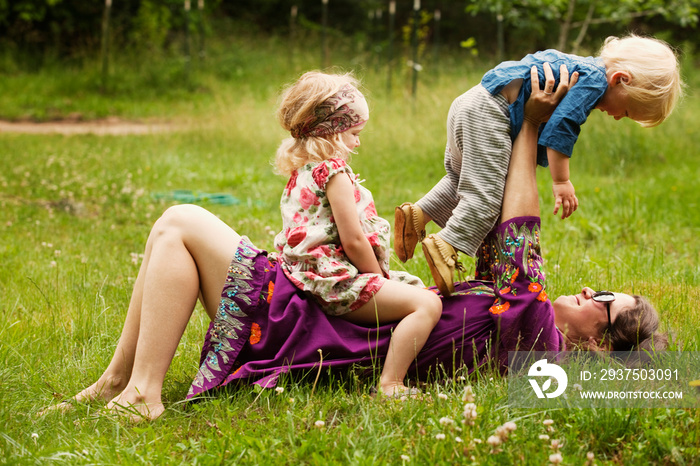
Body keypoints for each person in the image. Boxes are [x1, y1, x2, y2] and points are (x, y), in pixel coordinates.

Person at [40, 63, 665, 422]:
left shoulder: (535, 330)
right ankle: (118, 379)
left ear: (599, 345)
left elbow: (517, 228)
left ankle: (143, 394)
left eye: (604, 301)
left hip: (315, 320)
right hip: (325, 304)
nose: (590, 288)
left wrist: (530, 125)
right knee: (170, 226)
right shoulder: (519, 323)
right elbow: (487, 199)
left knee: (178, 221)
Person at [394, 34, 683, 296]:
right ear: (622, 79)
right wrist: (561, 182)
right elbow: (562, 128)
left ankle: (418, 214)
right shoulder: (594, 82)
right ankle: (447, 245)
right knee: (487, 197)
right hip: (491, 111)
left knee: (465, 178)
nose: (619, 118)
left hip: (472, 101)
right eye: (629, 111)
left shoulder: (584, 68)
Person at [272, 71, 442, 398]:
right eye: (354, 133)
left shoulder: (302, 171)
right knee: (427, 304)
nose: (358, 142)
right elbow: (352, 240)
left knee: (412, 284)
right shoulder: (333, 172)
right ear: (333, 132)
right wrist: (379, 278)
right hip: (334, 280)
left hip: (303, 274)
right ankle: (391, 383)